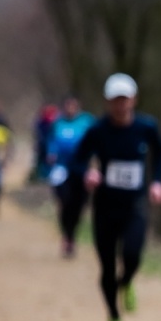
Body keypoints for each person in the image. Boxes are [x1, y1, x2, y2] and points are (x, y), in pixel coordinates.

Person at [71, 73, 161, 321]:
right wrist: (88, 173)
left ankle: (126, 283)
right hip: (105, 207)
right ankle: (114, 317)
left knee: (132, 255)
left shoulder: (146, 128)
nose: (120, 105)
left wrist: (157, 181)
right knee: (107, 268)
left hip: (135, 205)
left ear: (133, 100)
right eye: (115, 100)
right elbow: (77, 160)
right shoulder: (98, 130)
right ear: (107, 102)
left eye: (124, 99)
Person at [49, 96, 98, 257]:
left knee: (79, 205)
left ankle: (72, 235)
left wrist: (94, 163)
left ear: (78, 106)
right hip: (61, 169)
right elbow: (51, 141)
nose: (70, 108)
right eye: (68, 105)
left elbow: (96, 141)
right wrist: (51, 153)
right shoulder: (57, 122)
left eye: (73, 105)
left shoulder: (87, 122)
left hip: (82, 170)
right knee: (64, 202)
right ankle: (66, 235)